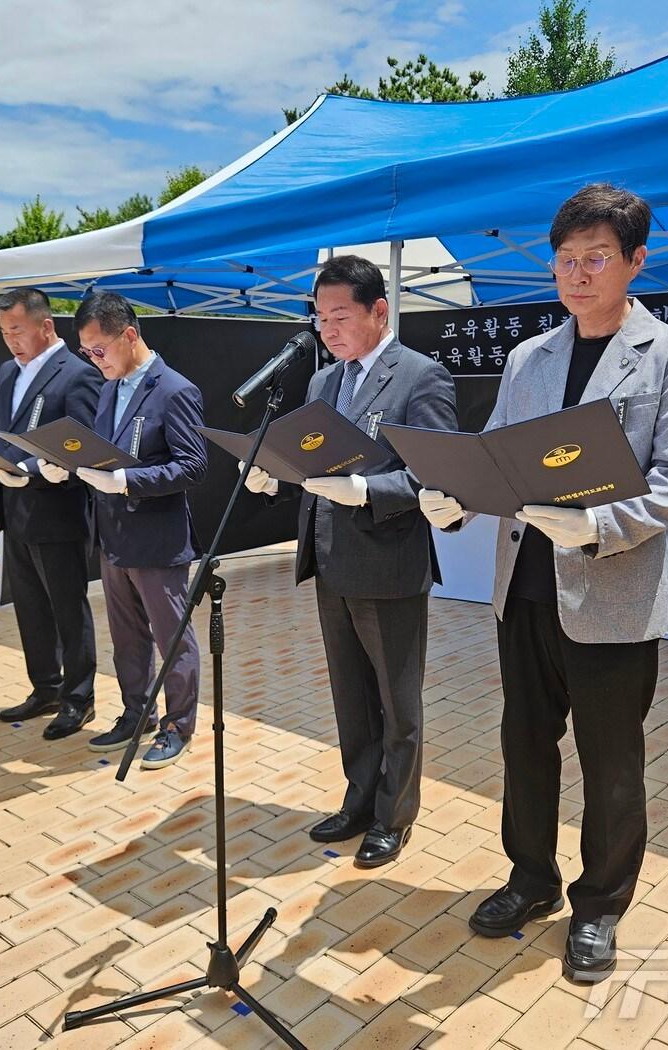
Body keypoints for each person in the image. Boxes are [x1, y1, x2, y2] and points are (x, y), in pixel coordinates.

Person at [418, 183, 668, 981]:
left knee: (611, 761)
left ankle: (600, 905)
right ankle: (530, 879)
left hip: (612, 593)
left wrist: (600, 527)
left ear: (635, 262)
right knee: (525, 745)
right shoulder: (528, 358)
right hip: (525, 590)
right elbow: (495, 457)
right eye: (566, 260)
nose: (578, 276)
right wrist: (452, 500)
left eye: (596, 259)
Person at [242, 254, 457, 868]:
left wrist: (368, 491)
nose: (328, 329)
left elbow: (434, 476)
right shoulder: (321, 382)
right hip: (330, 558)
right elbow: (312, 459)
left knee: (397, 699)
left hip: (387, 560)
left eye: (340, 316)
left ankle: (393, 815)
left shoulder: (421, 377)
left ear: (378, 311)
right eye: (320, 317)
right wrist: (274, 477)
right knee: (350, 696)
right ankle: (359, 796)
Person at [47, 290, 206, 769]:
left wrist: (124, 481)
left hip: (157, 540)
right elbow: (104, 449)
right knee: (127, 637)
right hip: (114, 536)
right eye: (86, 352)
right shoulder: (111, 387)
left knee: (171, 636)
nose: (94, 360)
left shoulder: (175, 390)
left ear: (130, 335)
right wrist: (70, 464)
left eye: (100, 349)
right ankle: (136, 713)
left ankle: (179, 724)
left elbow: (194, 467)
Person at [0, 288, 102, 734]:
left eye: (17, 330)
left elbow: (81, 442)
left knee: (67, 608)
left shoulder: (78, 375)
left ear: (46, 326)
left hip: (57, 510)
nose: (10, 340)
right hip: (15, 510)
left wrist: (28, 468)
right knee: (29, 607)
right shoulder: (8, 372)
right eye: (4, 332)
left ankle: (79, 697)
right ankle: (45, 687)